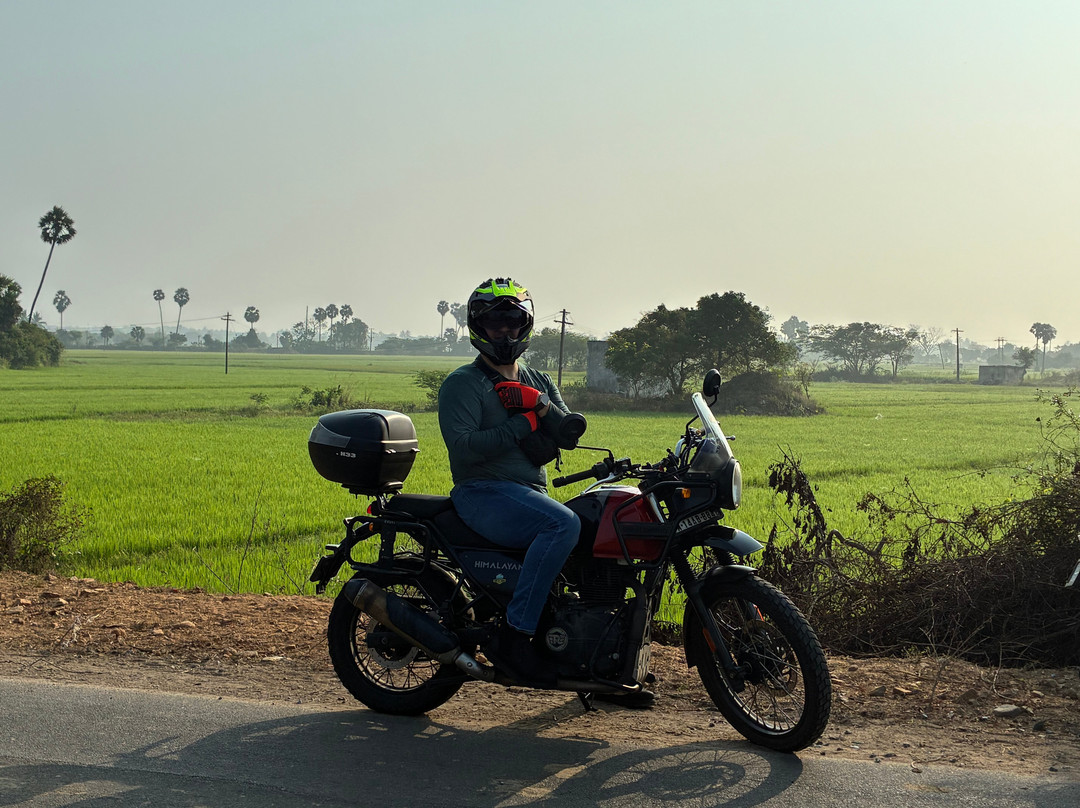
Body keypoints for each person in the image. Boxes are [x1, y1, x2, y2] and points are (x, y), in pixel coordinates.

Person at [437, 278, 579, 683]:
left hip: (530, 493)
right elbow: (463, 448)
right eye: (496, 323)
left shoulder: (538, 381)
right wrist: (524, 424)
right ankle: (515, 638)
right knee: (562, 523)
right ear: (479, 327)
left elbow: (569, 432)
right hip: (482, 492)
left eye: (514, 322)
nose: (506, 331)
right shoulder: (463, 383)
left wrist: (537, 403)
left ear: (526, 325)